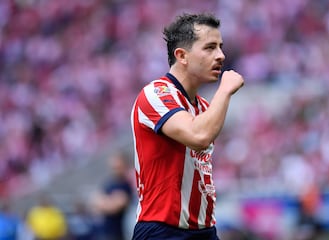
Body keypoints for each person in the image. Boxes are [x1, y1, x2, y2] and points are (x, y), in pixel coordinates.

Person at [130, 12, 244, 240]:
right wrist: (225, 89)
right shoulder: (155, 93)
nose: (221, 55)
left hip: (204, 231)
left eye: (221, 47)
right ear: (182, 55)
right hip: (163, 231)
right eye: (210, 48)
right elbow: (198, 135)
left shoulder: (203, 107)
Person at [91, 152, 133, 240]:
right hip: (105, 232)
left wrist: (105, 203)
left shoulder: (127, 184)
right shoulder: (109, 183)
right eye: (113, 167)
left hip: (120, 232)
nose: (115, 169)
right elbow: (95, 202)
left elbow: (117, 206)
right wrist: (111, 202)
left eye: (118, 167)